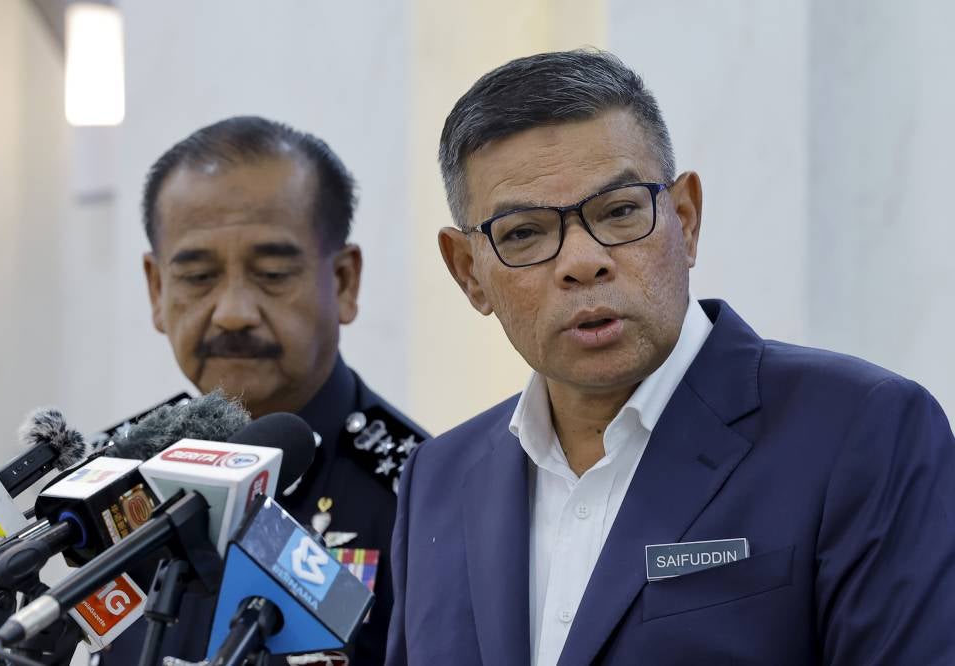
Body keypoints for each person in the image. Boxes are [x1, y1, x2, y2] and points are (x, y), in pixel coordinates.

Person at [386, 50, 955, 665]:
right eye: (524, 232)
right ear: (469, 272)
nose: (582, 261)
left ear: (685, 220)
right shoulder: (437, 480)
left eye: (620, 211)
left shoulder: (861, 430)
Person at [99, 116, 427, 666]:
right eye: (198, 277)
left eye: (273, 273)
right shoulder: (113, 477)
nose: (232, 313)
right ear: (157, 288)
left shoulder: (422, 495)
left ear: (343, 281)